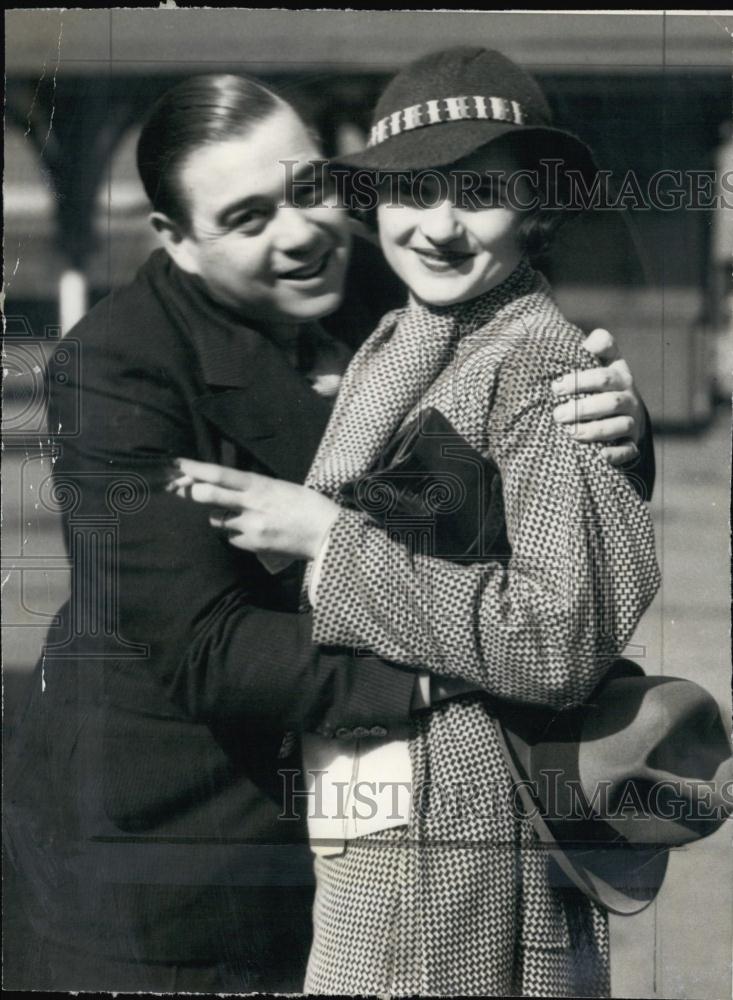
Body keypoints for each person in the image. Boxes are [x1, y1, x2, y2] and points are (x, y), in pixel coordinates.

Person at [5, 72, 653, 993]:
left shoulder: (393, 296)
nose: (301, 232)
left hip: (375, 829)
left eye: (308, 190)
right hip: (184, 843)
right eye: (247, 217)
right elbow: (209, 647)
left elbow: (514, 436)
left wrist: (614, 426)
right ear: (176, 243)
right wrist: (487, 665)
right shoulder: (116, 369)